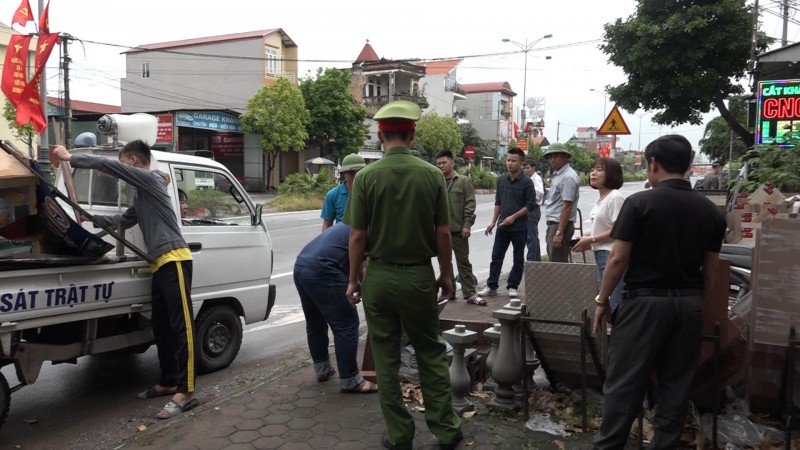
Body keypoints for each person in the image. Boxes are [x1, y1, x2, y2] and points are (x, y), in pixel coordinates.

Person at [590, 135, 726, 449]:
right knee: (676, 387)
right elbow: (712, 270)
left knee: (624, 384)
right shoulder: (710, 212)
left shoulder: (640, 202)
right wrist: (694, 302)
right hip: (688, 304)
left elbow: (618, 258)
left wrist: (601, 300)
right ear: (689, 165)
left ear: (653, 164)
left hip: (643, 305)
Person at [344, 100, 462, 450]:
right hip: (418, 278)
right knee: (430, 352)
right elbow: (443, 233)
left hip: (378, 277)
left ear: (381, 136)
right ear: (412, 134)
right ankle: (446, 428)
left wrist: (354, 279)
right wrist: (446, 275)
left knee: (385, 357)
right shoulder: (432, 175)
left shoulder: (365, 177)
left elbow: (356, 236)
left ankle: (399, 434)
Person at [53, 140, 199, 420]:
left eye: (123, 163)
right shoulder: (142, 195)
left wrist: (71, 158)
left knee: (182, 327)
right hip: (159, 263)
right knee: (161, 325)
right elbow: (124, 219)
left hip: (176, 259)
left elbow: (111, 166)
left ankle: (187, 391)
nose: (119, 169)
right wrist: (90, 217)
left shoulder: (152, 179)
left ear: (133, 160)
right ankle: (168, 381)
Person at [293, 222, 377, 394]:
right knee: (347, 323)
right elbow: (361, 261)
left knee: (315, 322)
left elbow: (359, 260)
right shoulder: (369, 227)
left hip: (301, 265)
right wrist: (361, 286)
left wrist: (360, 284)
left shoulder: (351, 222)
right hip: (323, 269)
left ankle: (322, 369)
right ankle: (350, 380)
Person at [571, 158, 626, 316]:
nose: (593, 173)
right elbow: (606, 227)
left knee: (615, 303)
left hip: (611, 255)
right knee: (606, 302)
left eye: (599, 170)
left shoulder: (615, 197)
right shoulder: (601, 199)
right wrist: (587, 238)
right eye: (592, 169)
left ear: (612, 174)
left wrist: (592, 239)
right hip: (601, 255)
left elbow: (619, 228)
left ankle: (618, 336)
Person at [478, 148, 535, 299]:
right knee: (496, 256)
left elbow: (530, 206)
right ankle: (492, 286)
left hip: (519, 227)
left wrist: (514, 217)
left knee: (518, 258)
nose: (510, 163)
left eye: (514, 160)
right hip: (502, 226)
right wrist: (493, 222)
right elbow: (498, 202)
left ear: (521, 163)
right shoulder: (501, 180)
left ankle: (513, 286)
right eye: (508, 160)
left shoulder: (527, 183)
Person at [434, 149, 482, 305]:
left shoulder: (463, 181)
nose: (441, 166)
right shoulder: (435, 181)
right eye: (439, 163)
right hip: (441, 232)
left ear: (452, 162)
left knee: (463, 263)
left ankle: (470, 293)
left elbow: (470, 204)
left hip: (458, 231)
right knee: (444, 264)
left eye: (444, 162)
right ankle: (449, 292)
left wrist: (467, 225)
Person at [543, 143, 580, 263]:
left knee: (557, 265)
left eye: (556, 156)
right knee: (555, 262)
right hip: (554, 224)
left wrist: (559, 232)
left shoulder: (568, 176)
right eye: (550, 157)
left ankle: (560, 283)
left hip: (559, 225)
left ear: (565, 157)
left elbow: (567, 205)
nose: (552, 160)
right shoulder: (559, 175)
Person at [321, 154, 365, 231]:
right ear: (344, 173)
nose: (356, 176)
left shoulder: (371, 191)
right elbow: (327, 224)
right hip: (343, 240)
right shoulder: (333, 195)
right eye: (351, 172)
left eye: (359, 172)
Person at [522, 159, 546, 262]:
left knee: (531, 236)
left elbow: (540, 193)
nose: (525, 170)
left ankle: (532, 260)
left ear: (533, 168)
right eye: (524, 168)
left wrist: (529, 197)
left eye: (528, 168)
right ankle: (536, 259)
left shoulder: (536, 178)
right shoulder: (527, 179)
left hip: (533, 209)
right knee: (532, 236)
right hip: (529, 209)